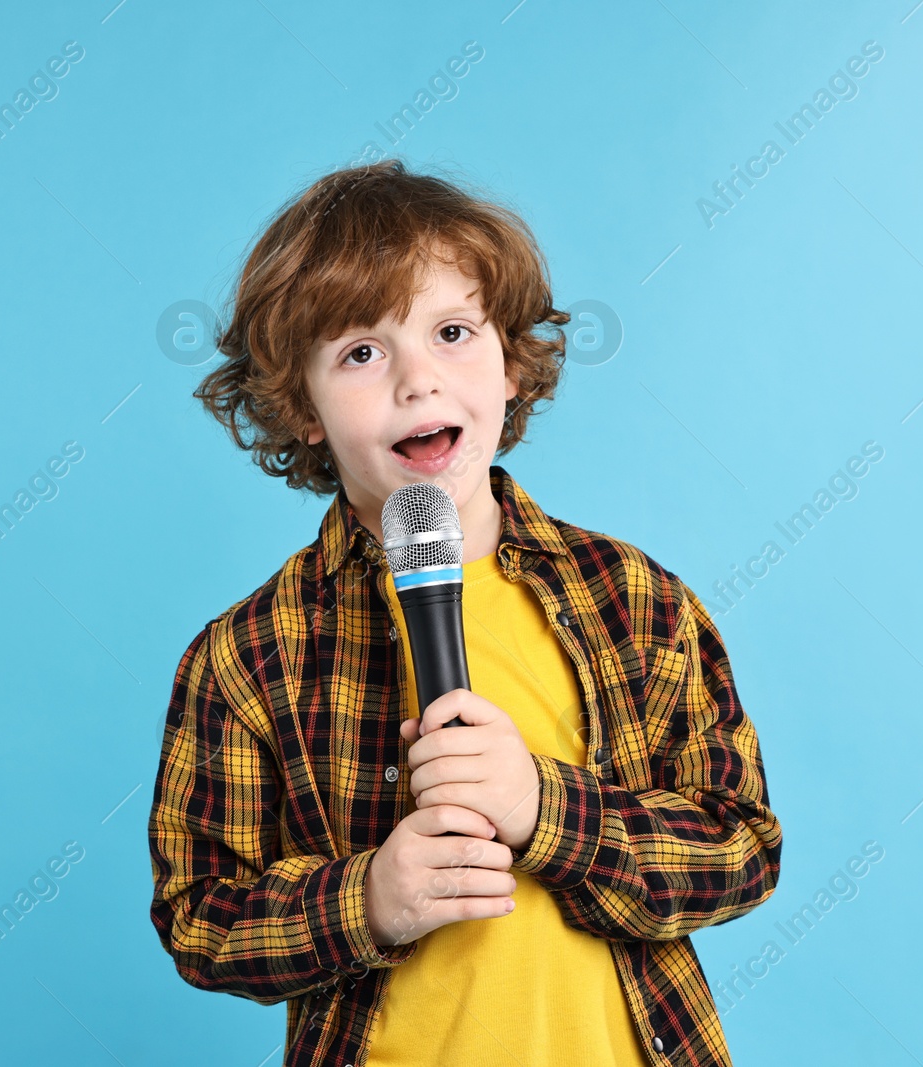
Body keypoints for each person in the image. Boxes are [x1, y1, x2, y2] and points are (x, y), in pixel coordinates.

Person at [147, 158, 783, 1067]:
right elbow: (201, 917)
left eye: (451, 331)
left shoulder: (635, 600)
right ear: (304, 409)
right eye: (361, 352)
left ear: (514, 364)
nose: (417, 381)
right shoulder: (250, 654)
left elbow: (741, 845)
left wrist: (545, 808)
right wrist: (364, 900)